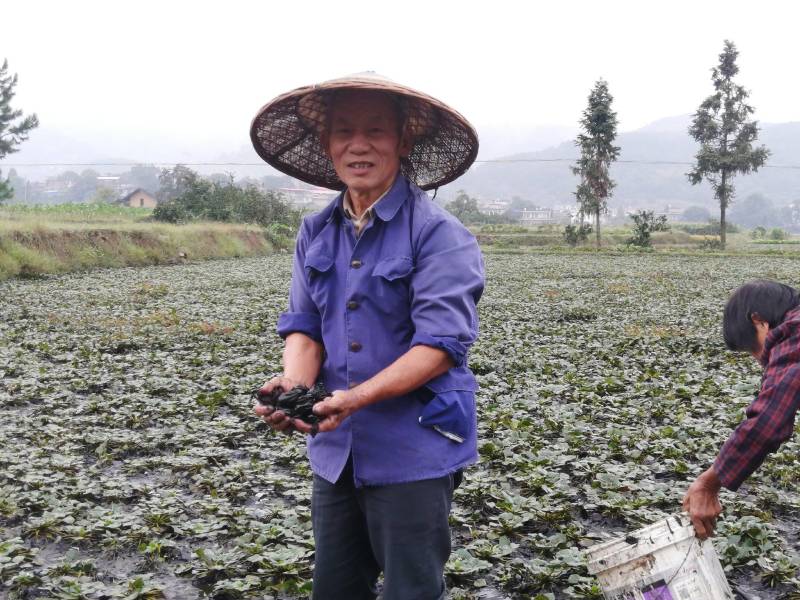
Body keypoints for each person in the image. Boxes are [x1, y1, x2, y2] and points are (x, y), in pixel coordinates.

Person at [250, 73, 484, 600]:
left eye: (375, 130)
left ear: (403, 141)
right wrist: (293, 391)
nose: (358, 144)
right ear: (328, 145)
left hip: (414, 448)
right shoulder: (316, 230)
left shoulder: (440, 235)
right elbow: (304, 328)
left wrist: (354, 399)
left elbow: (440, 346)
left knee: (411, 590)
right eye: (344, 131)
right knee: (336, 588)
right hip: (336, 451)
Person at [683, 279, 800, 539]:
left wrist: (709, 483)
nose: (760, 360)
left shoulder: (795, 334)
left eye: (752, 348)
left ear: (759, 321)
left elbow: (768, 422)